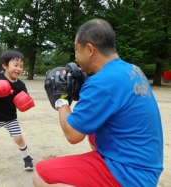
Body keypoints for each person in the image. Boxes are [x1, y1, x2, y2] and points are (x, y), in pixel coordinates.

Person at [33, 18, 163, 186]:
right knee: (94, 133)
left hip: (129, 174)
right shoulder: (132, 69)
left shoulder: (101, 82)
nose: (75, 57)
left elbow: (73, 135)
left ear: (89, 49)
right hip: (146, 165)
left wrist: (61, 99)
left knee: (41, 174)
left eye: (76, 50)